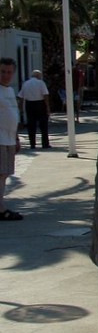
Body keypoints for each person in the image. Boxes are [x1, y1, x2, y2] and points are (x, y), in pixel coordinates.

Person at [0, 57, 23, 221]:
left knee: (4, 174)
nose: (6, 75)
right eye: (2, 72)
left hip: (9, 139)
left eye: (9, 72)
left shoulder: (9, 90)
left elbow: (13, 115)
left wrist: (16, 138)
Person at [18, 69, 50, 150]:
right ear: (38, 76)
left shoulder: (25, 83)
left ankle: (32, 144)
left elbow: (21, 97)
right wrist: (47, 107)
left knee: (31, 125)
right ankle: (45, 143)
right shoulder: (41, 83)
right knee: (43, 125)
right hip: (40, 104)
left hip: (29, 104)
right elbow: (45, 95)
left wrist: (21, 108)